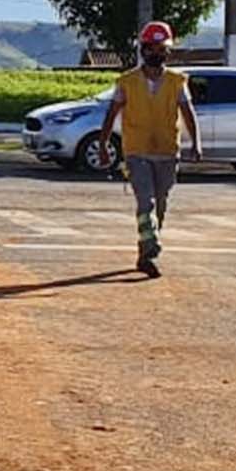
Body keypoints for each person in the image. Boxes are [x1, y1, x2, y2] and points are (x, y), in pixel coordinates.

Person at [97, 21, 202, 278]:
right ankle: (151, 244)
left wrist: (196, 143)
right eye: (151, 48)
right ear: (143, 50)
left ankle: (145, 254)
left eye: (161, 49)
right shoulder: (127, 82)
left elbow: (188, 113)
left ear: (167, 52)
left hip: (167, 151)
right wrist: (103, 145)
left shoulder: (177, 82)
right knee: (146, 201)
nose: (156, 54)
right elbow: (111, 114)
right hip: (136, 151)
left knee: (161, 205)